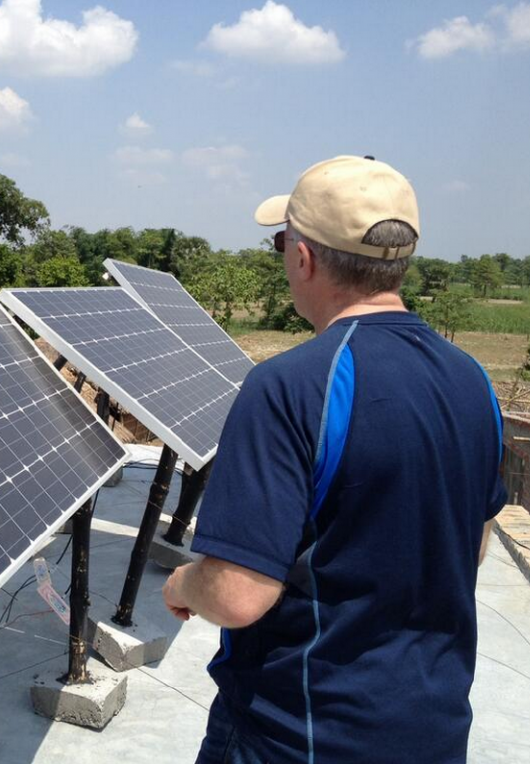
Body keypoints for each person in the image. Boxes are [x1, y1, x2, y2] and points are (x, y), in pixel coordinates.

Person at [162, 156, 505, 763]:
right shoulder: (472, 380)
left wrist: (185, 582)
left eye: (281, 242)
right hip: (434, 729)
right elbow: (471, 546)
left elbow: (240, 595)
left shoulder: (292, 386)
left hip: (298, 734)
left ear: (303, 257)